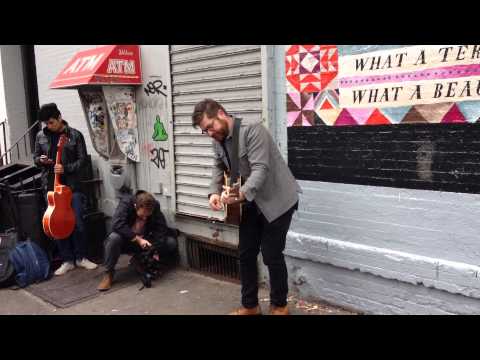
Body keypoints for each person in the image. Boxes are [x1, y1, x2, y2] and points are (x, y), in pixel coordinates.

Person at [192, 99, 302, 315]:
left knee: (271, 254)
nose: (210, 134)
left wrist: (239, 195)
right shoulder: (218, 139)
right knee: (246, 254)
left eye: (210, 127)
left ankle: (279, 305)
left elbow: (261, 169)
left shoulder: (253, 130)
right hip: (249, 202)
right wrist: (214, 192)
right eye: (205, 131)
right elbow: (218, 166)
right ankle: (250, 306)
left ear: (221, 114)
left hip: (277, 200)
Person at [34, 103, 98, 275]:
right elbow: (35, 158)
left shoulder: (75, 135)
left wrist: (66, 168)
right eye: (46, 124)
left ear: (59, 117)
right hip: (51, 187)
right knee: (56, 225)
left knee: (77, 222)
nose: (49, 126)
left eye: (51, 122)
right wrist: (41, 160)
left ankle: (81, 257)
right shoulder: (40, 136)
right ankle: (67, 259)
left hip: (72, 186)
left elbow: (83, 160)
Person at [97, 190, 177, 291]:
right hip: (126, 240)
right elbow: (117, 224)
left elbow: (161, 228)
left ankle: (141, 261)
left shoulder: (155, 205)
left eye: (147, 216)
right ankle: (108, 273)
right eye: (142, 215)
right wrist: (137, 239)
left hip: (145, 240)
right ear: (136, 206)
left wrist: (155, 248)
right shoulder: (126, 203)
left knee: (170, 242)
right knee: (114, 238)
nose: (144, 218)